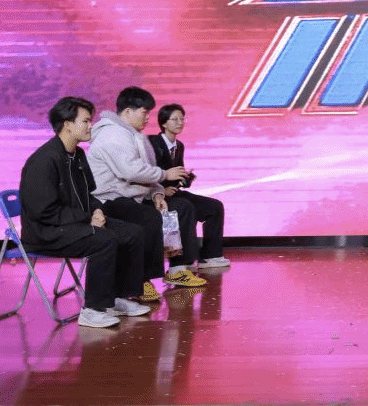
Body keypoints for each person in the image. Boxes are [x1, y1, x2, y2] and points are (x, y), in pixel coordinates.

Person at [18, 96, 150, 328]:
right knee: (105, 240)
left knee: (133, 233)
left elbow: (88, 194)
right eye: (86, 121)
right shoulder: (44, 161)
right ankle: (93, 310)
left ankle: (116, 298)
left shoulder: (77, 155)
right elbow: (43, 212)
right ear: (68, 124)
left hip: (74, 223)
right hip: (46, 232)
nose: (91, 126)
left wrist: (96, 210)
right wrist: (87, 218)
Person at [89, 86, 207, 297]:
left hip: (133, 196)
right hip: (110, 199)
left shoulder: (134, 134)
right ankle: (141, 280)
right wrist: (164, 174)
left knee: (181, 208)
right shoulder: (112, 134)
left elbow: (145, 172)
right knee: (150, 218)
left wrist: (157, 194)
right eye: (144, 112)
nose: (147, 118)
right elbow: (131, 171)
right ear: (128, 111)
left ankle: (178, 269)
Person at [149, 104, 229, 269]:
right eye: (175, 119)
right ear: (163, 123)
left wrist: (185, 179)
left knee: (214, 207)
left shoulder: (179, 146)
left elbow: (176, 175)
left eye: (182, 119)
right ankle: (185, 260)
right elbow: (146, 173)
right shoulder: (152, 144)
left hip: (174, 193)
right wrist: (162, 190)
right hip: (155, 196)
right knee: (186, 207)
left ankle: (210, 256)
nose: (180, 123)